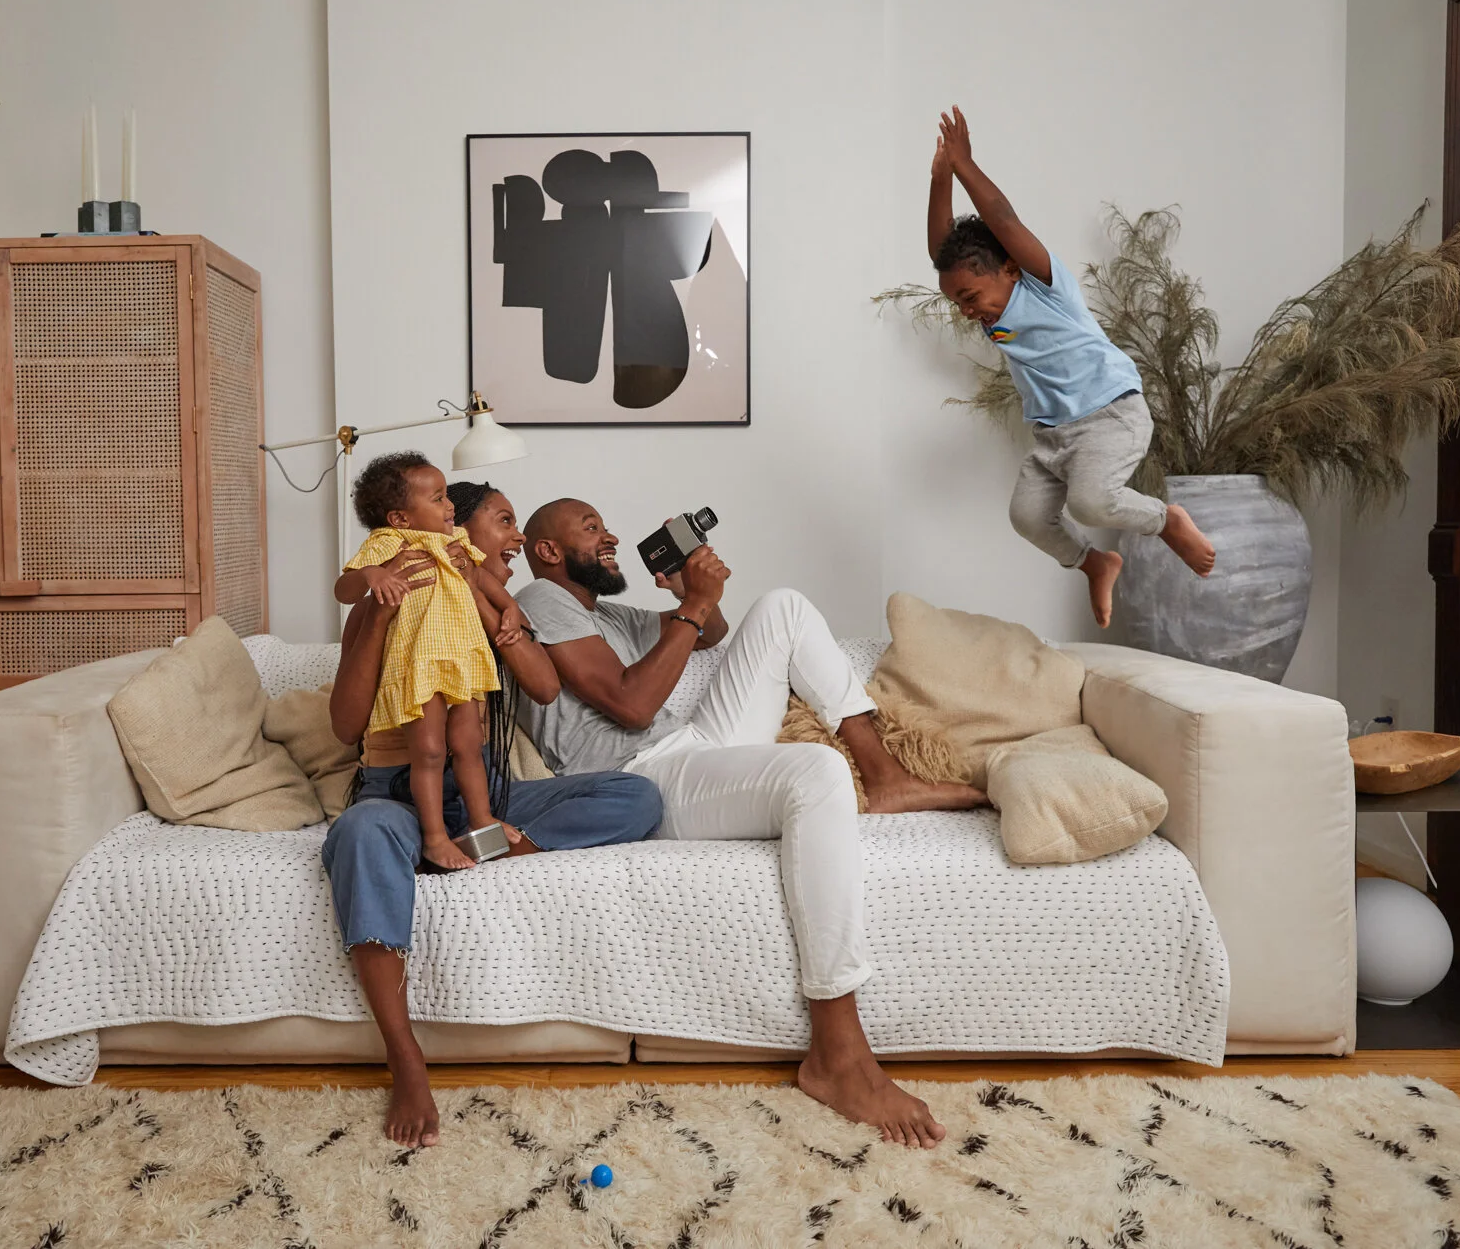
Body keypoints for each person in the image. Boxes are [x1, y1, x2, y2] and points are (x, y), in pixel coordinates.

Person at [514, 499, 984, 1149]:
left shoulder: (605, 614)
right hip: (638, 780)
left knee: (784, 607)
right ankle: (838, 1052)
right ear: (547, 551)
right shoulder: (540, 600)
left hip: (690, 748)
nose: (610, 535)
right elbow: (630, 703)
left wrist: (689, 592)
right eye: (591, 528)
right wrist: (694, 603)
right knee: (816, 771)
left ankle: (885, 776)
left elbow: (708, 634)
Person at [319, 478, 664, 1149]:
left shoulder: (478, 600)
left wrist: (491, 609)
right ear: (452, 530)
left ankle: (480, 843)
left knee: (637, 796)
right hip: (395, 794)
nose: (516, 539)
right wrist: (384, 612)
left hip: (486, 795)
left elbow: (543, 686)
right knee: (361, 831)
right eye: (503, 523)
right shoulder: (384, 597)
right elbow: (343, 726)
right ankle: (406, 1056)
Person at [927, 105, 1216, 627]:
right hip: (1053, 435)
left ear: (1009, 268)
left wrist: (964, 164)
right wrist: (939, 180)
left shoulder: (1043, 285)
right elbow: (941, 252)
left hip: (1110, 414)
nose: (967, 311)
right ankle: (1095, 563)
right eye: (959, 303)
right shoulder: (992, 313)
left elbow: (1003, 220)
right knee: (1027, 517)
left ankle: (1167, 520)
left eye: (970, 297)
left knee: (1091, 503)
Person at [333, 452, 523, 871]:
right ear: (400, 518)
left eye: (445, 497)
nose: (449, 505)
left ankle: (482, 822)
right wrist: (372, 575)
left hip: (460, 664)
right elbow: (344, 589)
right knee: (431, 750)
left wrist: (510, 609)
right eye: (438, 498)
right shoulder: (389, 543)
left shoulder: (456, 541)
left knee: (469, 744)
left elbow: (482, 578)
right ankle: (435, 838)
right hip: (420, 669)